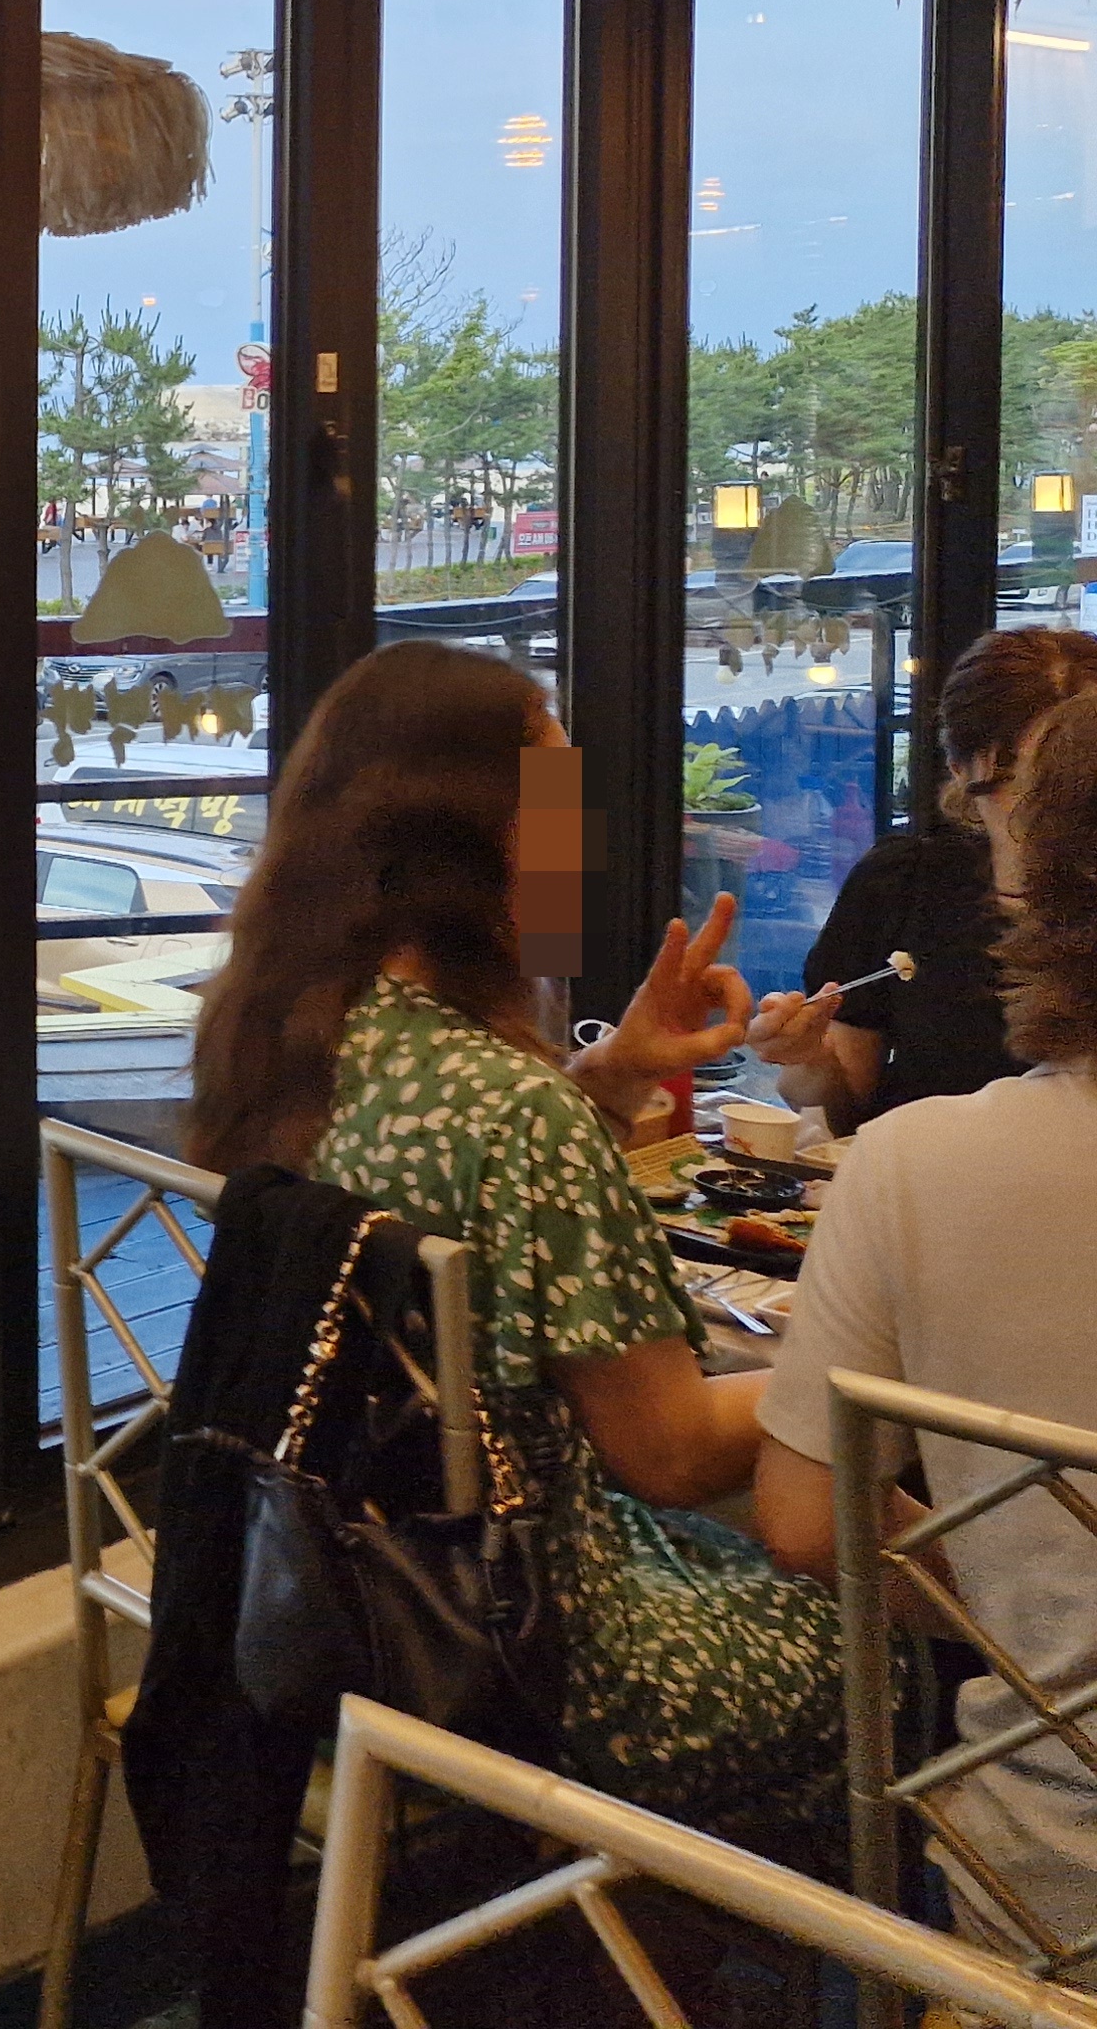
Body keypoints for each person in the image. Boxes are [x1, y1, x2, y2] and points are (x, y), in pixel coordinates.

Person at [191, 640, 842, 1842]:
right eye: (556, 804)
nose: (580, 840)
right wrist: (864, 1362)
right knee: (889, 1642)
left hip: (314, 1595)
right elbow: (670, 1456)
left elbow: (460, 1197)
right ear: (471, 843)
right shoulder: (512, 1111)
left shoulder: (288, 1044)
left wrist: (611, 1075)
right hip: (529, 1658)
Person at [752, 686, 1097, 1960]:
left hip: (1040, 1897)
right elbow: (828, 1079)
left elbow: (803, 1522)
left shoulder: (917, 1167)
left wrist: (1027, 1625)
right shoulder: (887, 898)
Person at [759, 625, 1097, 1130]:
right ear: (961, 767)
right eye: (1037, 777)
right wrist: (806, 1056)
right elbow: (838, 1103)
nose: (1063, 800)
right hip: (926, 1167)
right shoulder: (906, 884)